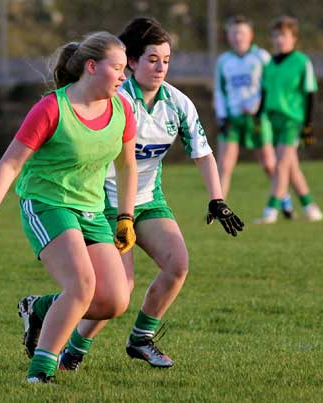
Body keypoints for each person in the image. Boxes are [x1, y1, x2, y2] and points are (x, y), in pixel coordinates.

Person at [20, 17, 244, 372]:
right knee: (116, 290)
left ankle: (141, 338)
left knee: (178, 264)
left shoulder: (178, 104)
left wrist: (217, 199)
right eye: (152, 59)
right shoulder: (113, 97)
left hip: (148, 200)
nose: (160, 68)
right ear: (133, 62)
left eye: (167, 60)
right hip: (104, 203)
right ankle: (69, 345)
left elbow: (202, 152)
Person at [0, 31, 138, 383]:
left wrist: (125, 217)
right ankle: (41, 371)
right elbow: (11, 164)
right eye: (119, 68)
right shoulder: (51, 108)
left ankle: (40, 308)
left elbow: (127, 165)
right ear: (92, 67)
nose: (125, 76)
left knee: (114, 299)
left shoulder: (122, 108)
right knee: (81, 285)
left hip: (90, 209)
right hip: (47, 203)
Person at [214, 15, 295, 218]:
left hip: (257, 119)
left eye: (241, 32)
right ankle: (218, 208)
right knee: (224, 165)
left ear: (250, 35)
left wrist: (260, 108)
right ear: (228, 36)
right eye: (233, 32)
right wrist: (222, 116)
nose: (237, 36)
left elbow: (271, 86)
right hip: (232, 119)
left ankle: (284, 198)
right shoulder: (224, 61)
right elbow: (219, 90)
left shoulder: (261, 57)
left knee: (269, 164)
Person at [253, 16, 323, 224]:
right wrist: (258, 118)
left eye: (284, 35)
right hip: (273, 122)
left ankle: (271, 211)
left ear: (294, 38)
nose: (279, 39)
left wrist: (308, 126)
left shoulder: (302, 62)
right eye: (276, 35)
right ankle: (310, 207)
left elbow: (311, 94)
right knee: (291, 168)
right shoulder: (269, 65)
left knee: (281, 165)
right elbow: (265, 94)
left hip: (293, 122)